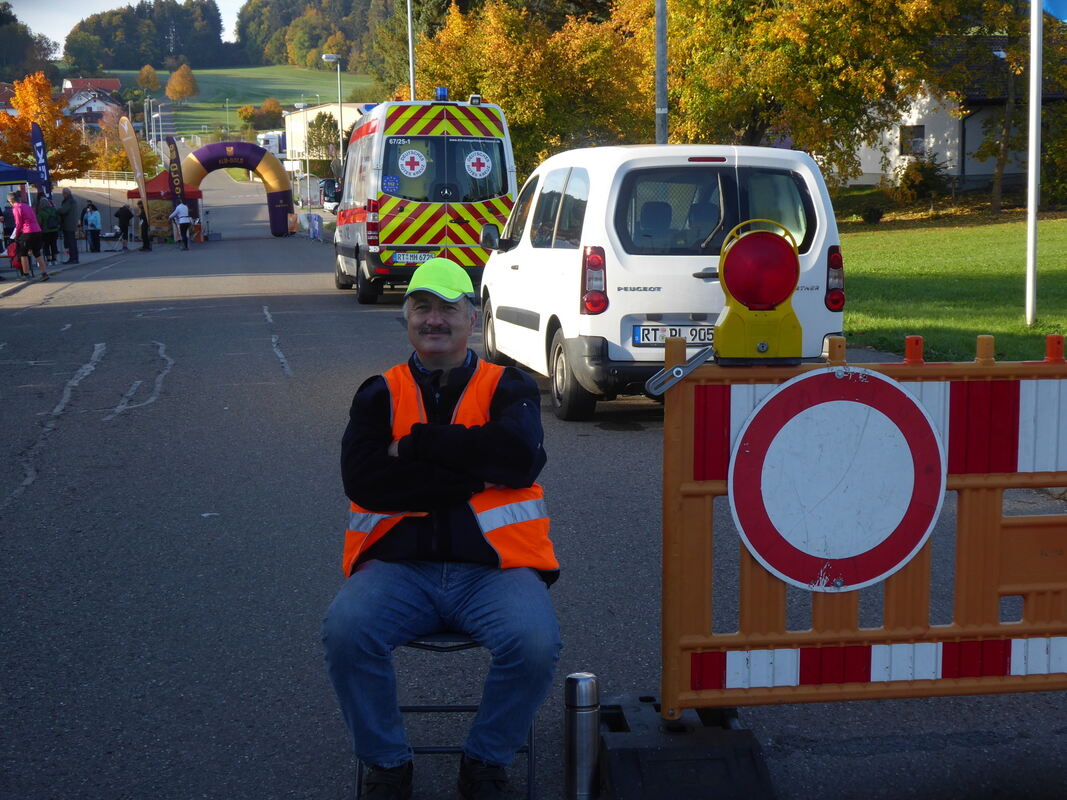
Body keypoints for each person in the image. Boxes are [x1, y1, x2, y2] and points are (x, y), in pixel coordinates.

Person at [322, 258, 560, 800]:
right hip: (399, 571)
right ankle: (387, 764)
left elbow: (519, 460)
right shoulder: (378, 393)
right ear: (406, 317)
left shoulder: (509, 385)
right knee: (346, 632)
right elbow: (364, 481)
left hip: (495, 572)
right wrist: (470, 475)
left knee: (534, 642)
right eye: (422, 307)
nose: (435, 320)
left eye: (448, 308)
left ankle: (484, 760)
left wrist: (415, 444)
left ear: (471, 319)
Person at [9, 192, 49, 281]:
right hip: (37, 230)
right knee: (37, 253)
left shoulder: (16, 208)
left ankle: (26, 274)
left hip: (27, 232)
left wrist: (17, 234)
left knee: (23, 253)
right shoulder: (27, 206)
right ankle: (44, 273)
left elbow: (18, 223)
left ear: (11, 201)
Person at [36, 195, 60, 265]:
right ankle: (55, 259)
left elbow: (39, 222)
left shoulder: (41, 212)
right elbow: (58, 219)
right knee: (54, 245)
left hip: (45, 231)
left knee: (46, 246)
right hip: (54, 230)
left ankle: (48, 260)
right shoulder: (54, 210)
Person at [57, 188, 79, 264]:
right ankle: (74, 258)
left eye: (63, 194)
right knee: (72, 243)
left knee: (71, 243)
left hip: (68, 224)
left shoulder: (69, 201)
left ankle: (73, 259)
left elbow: (63, 210)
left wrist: (57, 210)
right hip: (72, 224)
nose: (63, 195)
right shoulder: (73, 201)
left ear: (66, 194)